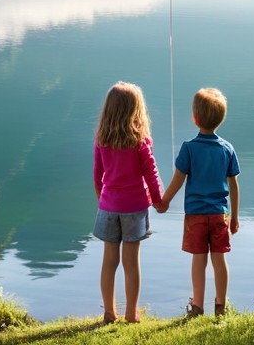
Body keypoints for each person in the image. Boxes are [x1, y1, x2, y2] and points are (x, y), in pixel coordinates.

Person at [155, 87, 240, 317]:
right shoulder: (227, 149)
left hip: (195, 216)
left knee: (198, 260)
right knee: (219, 260)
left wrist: (164, 202)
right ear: (221, 119)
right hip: (220, 214)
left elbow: (178, 179)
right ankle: (221, 306)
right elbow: (233, 185)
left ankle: (198, 306)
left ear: (195, 118)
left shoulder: (189, 148)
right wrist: (234, 217)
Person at [92, 81, 164, 324]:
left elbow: (97, 174)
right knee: (131, 263)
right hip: (134, 207)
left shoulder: (102, 138)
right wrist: (158, 200)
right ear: (137, 110)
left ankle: (109, 313)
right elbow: (150, 173)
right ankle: (131, 314)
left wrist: (103, 198)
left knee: (109, 260)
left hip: (108, 206)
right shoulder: (140, 141)